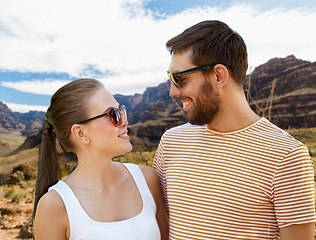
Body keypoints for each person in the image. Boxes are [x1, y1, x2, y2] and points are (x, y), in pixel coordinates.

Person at [153, 20, 316, 240]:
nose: (173, 91)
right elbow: (160, 223)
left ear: (218, 75)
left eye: (179, 78)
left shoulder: (287, 156)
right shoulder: (171, 142)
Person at [34, 78, 169, 240]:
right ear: (81, 133)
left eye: (122, 111)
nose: (125, 121)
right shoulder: (54, 205)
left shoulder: (148, 180)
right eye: (113, 114)